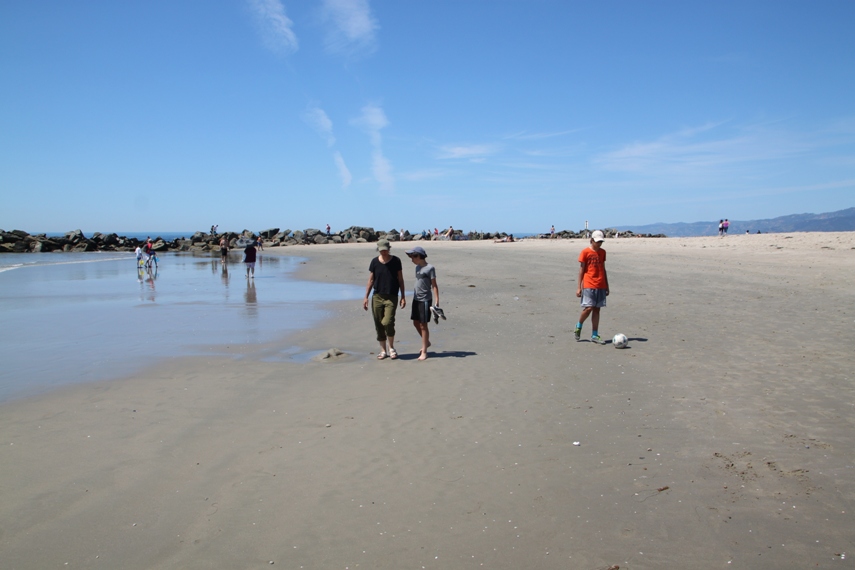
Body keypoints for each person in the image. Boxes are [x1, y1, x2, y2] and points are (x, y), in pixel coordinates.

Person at [363, 238, 406, 360]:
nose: (383, 252)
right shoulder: (374, 262)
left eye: (385, 250)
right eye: (381, 250)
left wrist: (403, 296)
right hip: (377, 296)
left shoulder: (396, 261)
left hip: (391, 297)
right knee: (378, 323)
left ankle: (391, 347)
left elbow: (400, 280)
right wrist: (366, 297)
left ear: (389, 249)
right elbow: (371, 280)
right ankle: (383, 350)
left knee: (388, 321)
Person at [574, 230, 610, 344]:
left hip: (601, 284)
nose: (599, 244)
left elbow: (603, 269)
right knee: (588, 308)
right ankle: (579, 326)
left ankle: (595, 334)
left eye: (601, 242)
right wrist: (579, 287)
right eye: (597, 242)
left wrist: (607, 285)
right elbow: (581, 270)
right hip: (589, 283)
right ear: (592, 240)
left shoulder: (603, 252)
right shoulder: (585, 252)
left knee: (597, 309)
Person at [406, 246, 439, 361]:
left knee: (423, 325)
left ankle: (424, 351)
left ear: (419, 256)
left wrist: (437, 301)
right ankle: (427, 342)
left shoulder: (430, 268)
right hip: (416, 299)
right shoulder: (417, 268)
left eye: (413, 257)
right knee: (415, 323)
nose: (411, 259)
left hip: (425, 299)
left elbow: (434, 285)